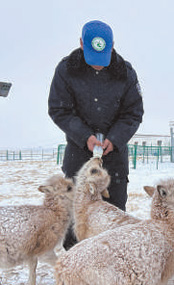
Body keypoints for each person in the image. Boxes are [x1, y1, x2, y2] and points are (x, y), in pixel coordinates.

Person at [48, 20, 144, 249]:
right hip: (78, 155)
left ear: (112, 46)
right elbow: (59, 109)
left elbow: (133, 112)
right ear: (81, 44)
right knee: (76, 213)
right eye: (93, 60)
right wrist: (84, 136)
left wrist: (116, 138)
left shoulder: (126, 72)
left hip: (114, 157)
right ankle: (75, 265)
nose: (99, 67)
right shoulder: (66, 70)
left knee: (115, 212)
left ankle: (113, 264)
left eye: (104, 59)